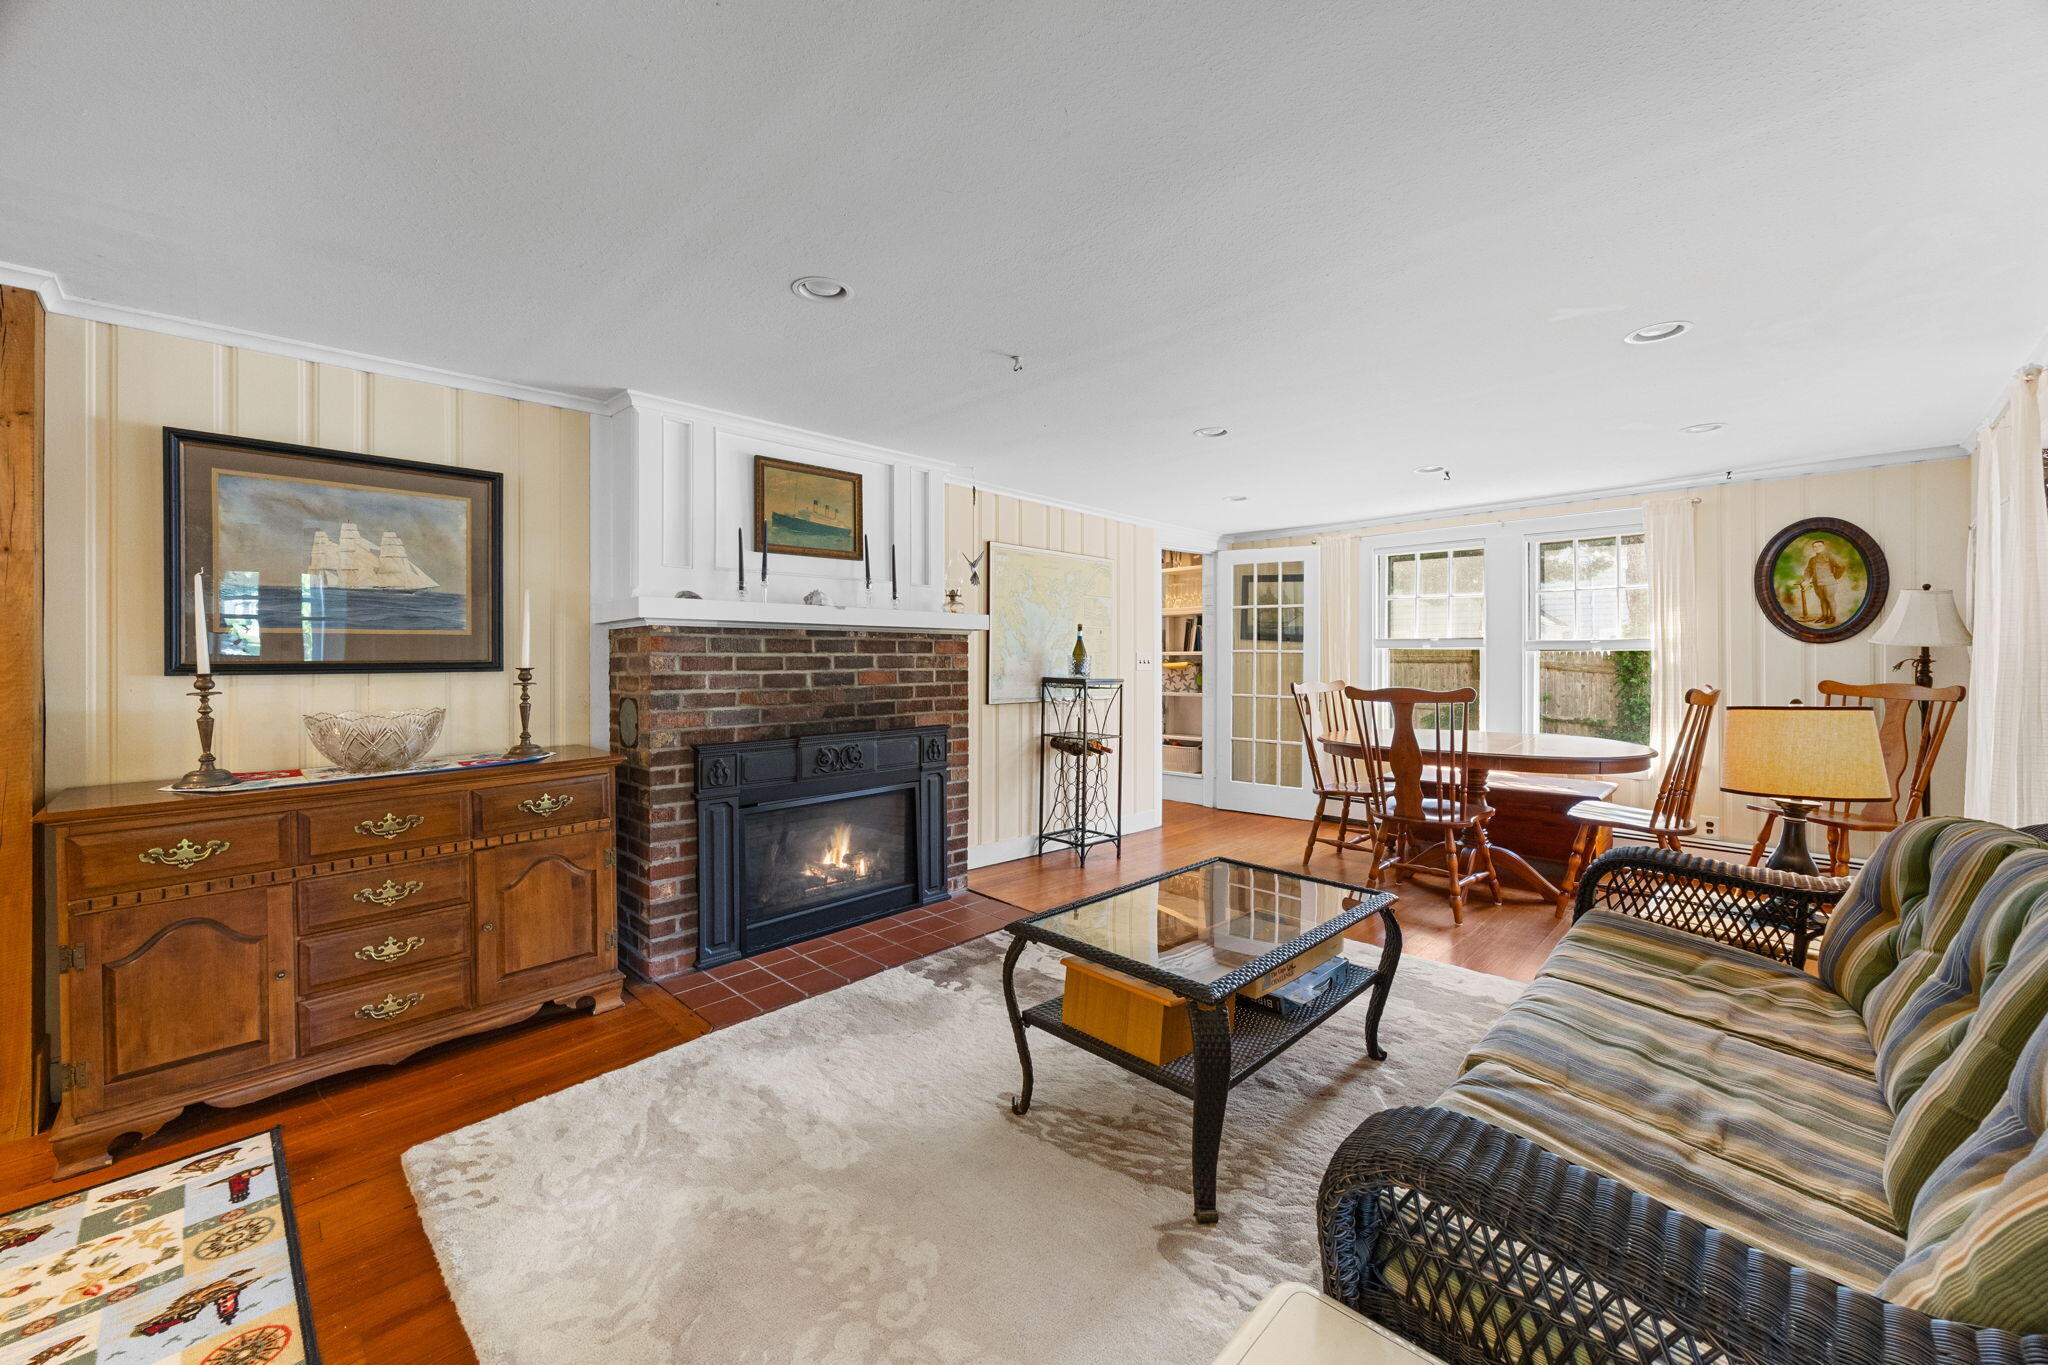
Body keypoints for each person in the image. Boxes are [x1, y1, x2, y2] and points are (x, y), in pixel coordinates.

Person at [1800, 537, 1849, 624]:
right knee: (1822, 600)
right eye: (1815, 546)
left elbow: (1841, 566)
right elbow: (1808, 570)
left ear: (1824, 547)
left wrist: (1836, 576)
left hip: (1829, 583)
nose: (1817, 548)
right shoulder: (1812, 559)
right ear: (1813, 548)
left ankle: (1832, 616)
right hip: (1817, 583)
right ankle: (1824, 616)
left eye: (1819, 546)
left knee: (1830, 599)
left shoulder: (1830, 556)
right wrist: (1806, 580)